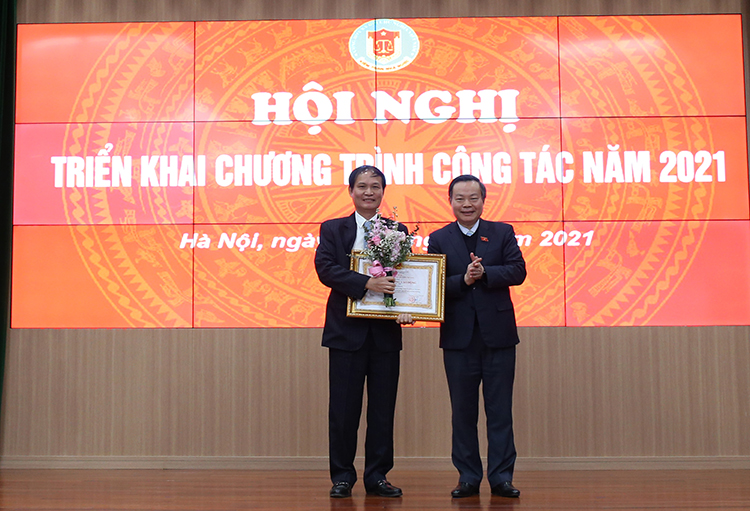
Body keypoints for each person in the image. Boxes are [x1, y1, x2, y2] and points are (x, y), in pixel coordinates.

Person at [315, 165, 413, 499]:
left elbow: (406, 275)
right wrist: (366, 283)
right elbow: (326, 269)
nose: (368, 192)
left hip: (385, 334)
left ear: (383, 192)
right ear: (351, 191)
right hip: (346, 333)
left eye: (375, 186)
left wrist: (409, 306)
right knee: (343, 411)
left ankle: (378, 477)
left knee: (383, 411)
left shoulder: (397, 230)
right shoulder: (333, 229)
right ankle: (342, 477)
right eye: (362, 186)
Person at [427, 174, 526, 499]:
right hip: (458, 338)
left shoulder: (502, 232)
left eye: (473, 198)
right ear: (450, 202)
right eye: (460, 198)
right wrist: (464, 280)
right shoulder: (438, 238)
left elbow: (518, 270)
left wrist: (486, 274)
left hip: (498, 336)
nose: (467, 204)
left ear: (483, 200)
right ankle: (468, 477)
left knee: (500, 412)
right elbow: (434, 284)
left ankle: (501, 478)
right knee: (463, 413)